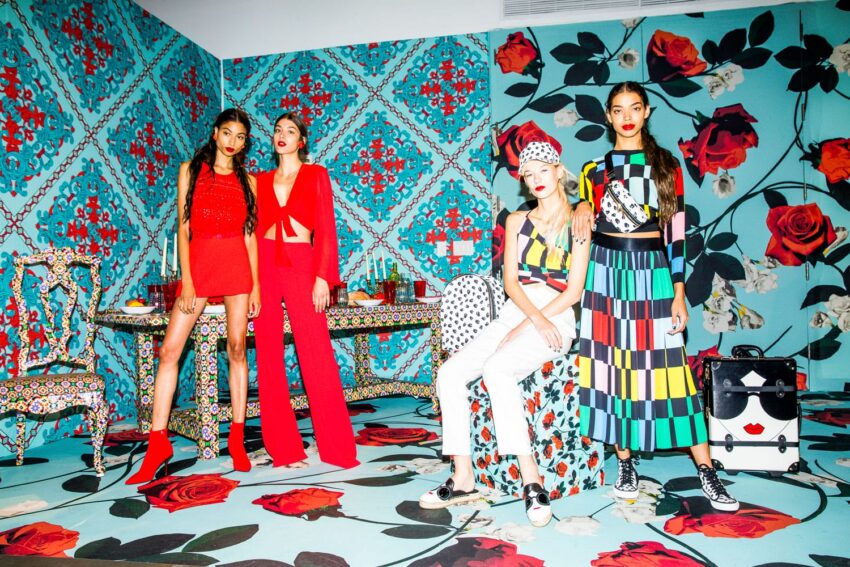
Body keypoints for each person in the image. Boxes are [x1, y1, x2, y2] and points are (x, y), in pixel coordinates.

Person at [572, 81, 738, 511]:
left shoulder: (666, 165)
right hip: (605, 273)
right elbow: (584, 209)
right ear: (608, 116)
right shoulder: (594, 169)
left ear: (646, 112)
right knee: (613, 369)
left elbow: (675, 233)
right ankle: (626, 463)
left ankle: (707, 470)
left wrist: (678, 292)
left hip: (653, 272)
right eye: (618, 109)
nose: (627, 116)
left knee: (671, 372)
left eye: (635, 108)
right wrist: (582, 206)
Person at [419, 141, 590, 527]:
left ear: (558, 170)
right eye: (528, 174)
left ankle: (532, 480)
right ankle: (463, 476)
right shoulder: (516, 220)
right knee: (449, 372)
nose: (536, 179)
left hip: (557, 317)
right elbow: (510, 282)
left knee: (497, 368)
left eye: (543, 170)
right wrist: (523, 321)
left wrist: (534, 322)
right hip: (518, 310)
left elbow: (574, 290)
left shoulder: (578, 221)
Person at [127, 108, 260, 484]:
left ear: (245, 143)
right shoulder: (190, 170)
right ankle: (158, 444)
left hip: (236, 264)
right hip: (200, 264)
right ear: (215, 133)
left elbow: (250, 236)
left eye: (240, 137)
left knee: (237, 348)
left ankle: (235, 438)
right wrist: (187, 281)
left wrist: (256, 286)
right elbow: (183, 228)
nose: (233, 141)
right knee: (169, 351)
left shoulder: (249, 181)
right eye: (227, 133)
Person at [253, 112, 358, 469]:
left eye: (290, 130)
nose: (282, 135)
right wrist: (252, 283)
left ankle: (337, 447)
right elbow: (252, 234)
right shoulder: (259, 180)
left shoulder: (316, 175)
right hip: (265, 263)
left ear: (301, 141)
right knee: (268, 356)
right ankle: (283, 448)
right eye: (277, 130)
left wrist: (322, 277)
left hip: (301, 262)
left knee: (316, 351)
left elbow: (326, 228)